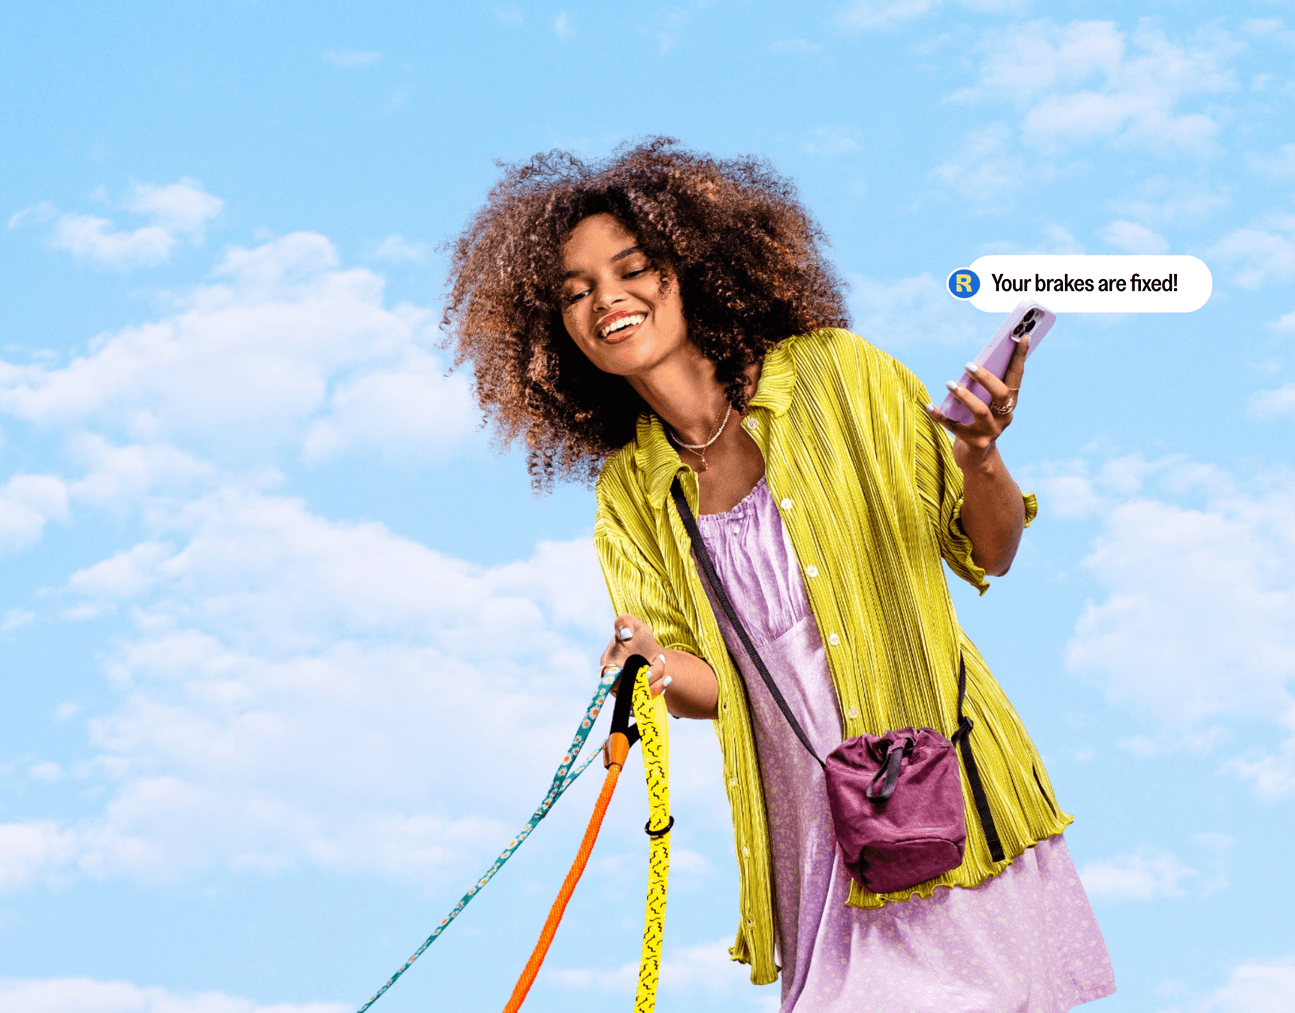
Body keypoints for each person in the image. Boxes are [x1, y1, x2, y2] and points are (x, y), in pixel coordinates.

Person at [442, 139, 1115, 1012]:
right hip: (814, 831)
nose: (607, 298)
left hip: (938, 796)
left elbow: (987, 551)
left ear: (694, 266)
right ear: (556, 334)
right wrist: (646, 660)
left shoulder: (839, 374)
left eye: (633, 267)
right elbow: (710, 685)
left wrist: (982, 454)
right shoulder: (631, 493)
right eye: (574, 293)